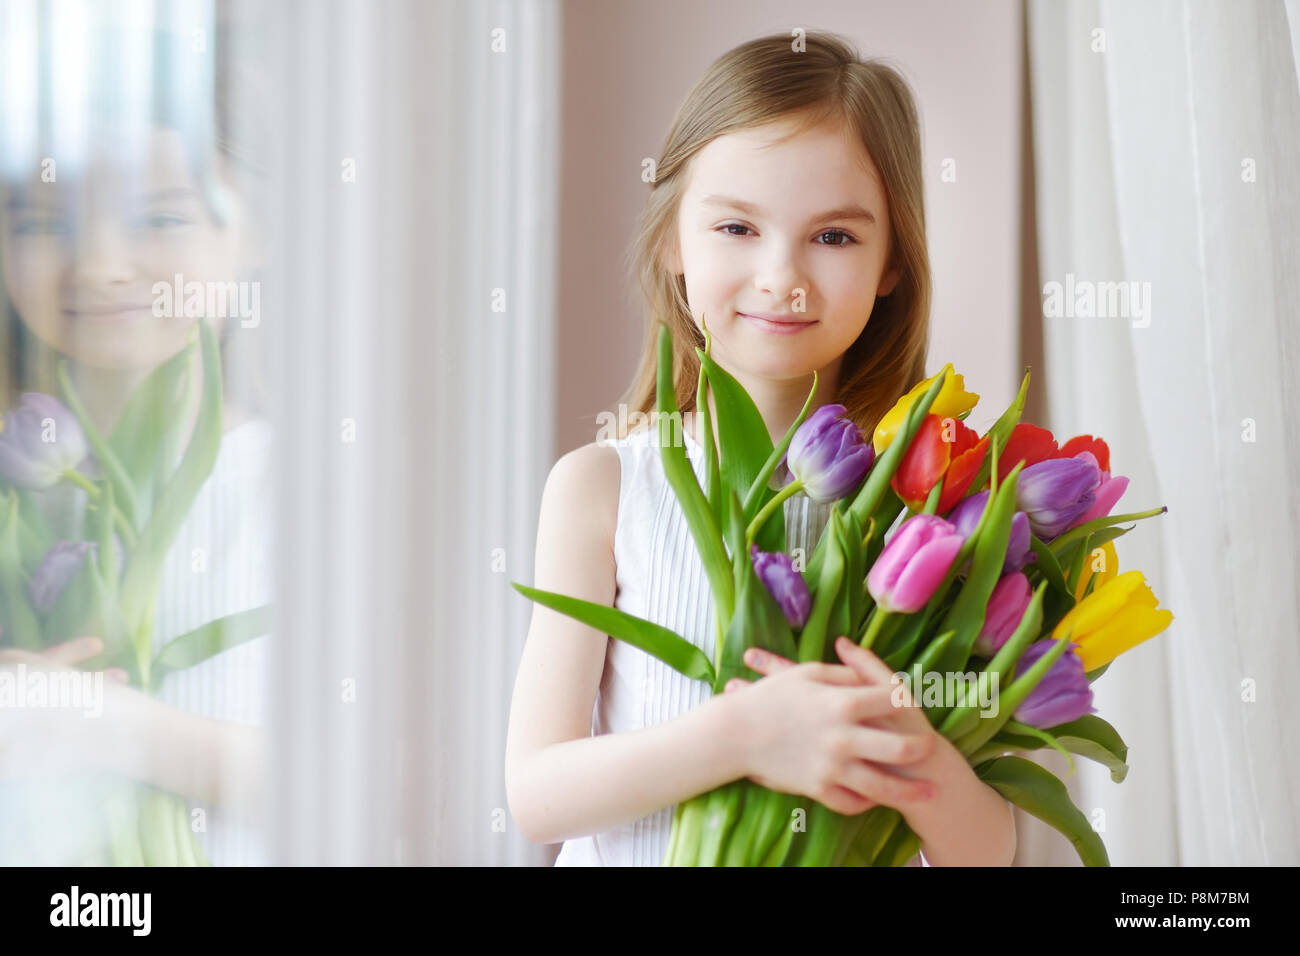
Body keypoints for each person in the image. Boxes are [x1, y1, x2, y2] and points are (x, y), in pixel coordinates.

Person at [504, 31, 1016, 866]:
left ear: (893, 262)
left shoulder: (937, 513)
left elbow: (998, 852)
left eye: (836, 238)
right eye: (738, 226)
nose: (783, 274)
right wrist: (740, 736)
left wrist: (916, 754)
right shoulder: (603, 488)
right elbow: (537, 796)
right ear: (674, 239)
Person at [0, 16, 271, 865]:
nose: (102, 263)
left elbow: (378, 777)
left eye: (157, 216)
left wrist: (102, 723)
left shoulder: (310, 491)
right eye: (43, 223)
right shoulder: (21, 491)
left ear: (252, 226)